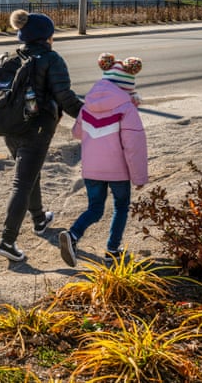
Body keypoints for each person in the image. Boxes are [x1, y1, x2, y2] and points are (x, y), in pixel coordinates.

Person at [0, 9, 84, 262]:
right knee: (22, 183)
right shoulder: (51, 59)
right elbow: (65, 98)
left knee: (29, 174)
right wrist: (93, 118)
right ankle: (7, 241)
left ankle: (39, 220)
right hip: (37, 129)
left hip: (10, 128)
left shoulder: (9, 58)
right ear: (47, 36)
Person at [58, 53, 148, 267]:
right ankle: (113, 251)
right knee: (121, 206)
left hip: (92, 168)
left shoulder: (87, 106)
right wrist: (139, 177)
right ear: (127, 87)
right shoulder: (126, 109)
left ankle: (72, 235)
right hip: (118, 170)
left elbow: (77, 133)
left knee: (95, 208)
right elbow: (133, 147)